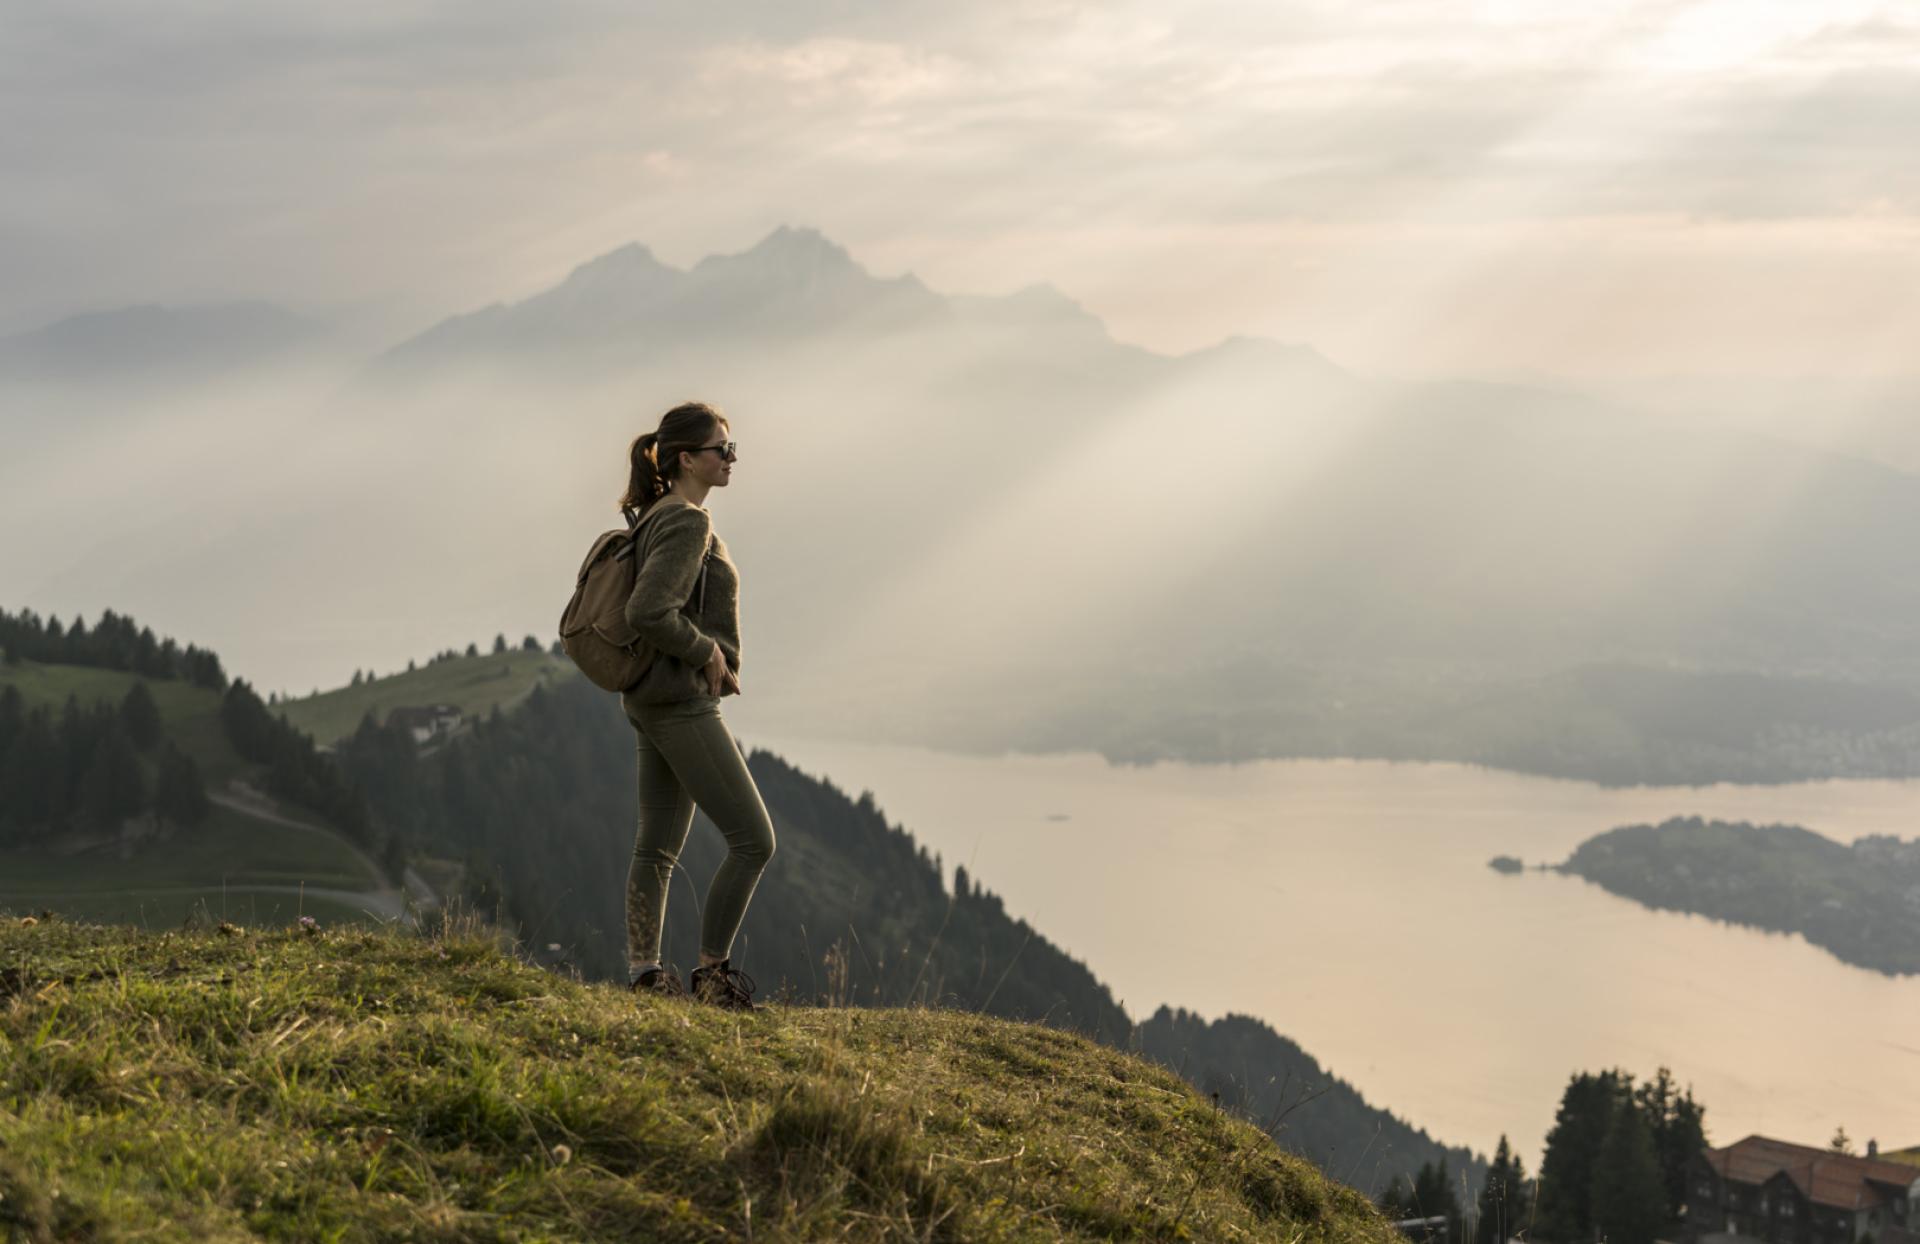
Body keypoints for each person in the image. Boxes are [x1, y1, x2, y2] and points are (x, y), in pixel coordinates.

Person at [618, 400, 775, 1011]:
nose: (731, 459)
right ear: (687, 459)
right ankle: (712, 976)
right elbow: (647, 612)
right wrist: (708, 651)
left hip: (649, 699)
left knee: (655, 846)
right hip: (680, 703)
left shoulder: (655, 513)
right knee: (753, 841)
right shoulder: (686, 522)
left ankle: (644, 974)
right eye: (722, 450)